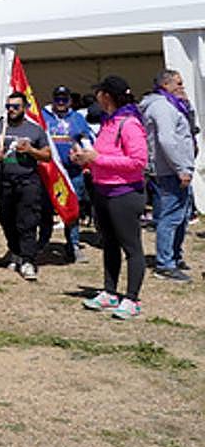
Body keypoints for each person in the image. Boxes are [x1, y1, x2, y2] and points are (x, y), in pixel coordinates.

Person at [73, 76, 149, 320]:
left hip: (125, 193)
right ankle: (110, 291)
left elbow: (138, 162)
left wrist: (97, 159)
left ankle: (132, 298)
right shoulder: (109, 122)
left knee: (132, 247)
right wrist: (85, 160)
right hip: (102, 190)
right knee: (109, 244)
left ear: (106, 96)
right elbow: (102, 155)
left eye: (99, 93)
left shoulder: (129, 124)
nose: (96, 97)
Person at [0, 91, 52, 281]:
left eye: (15, 107)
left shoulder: (35, 130)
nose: (11, 110)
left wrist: (31, 150)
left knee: (28, 221)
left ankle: (28, 259)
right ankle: (15, 251)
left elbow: (47, 156)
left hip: (28, 181)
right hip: (5, 181)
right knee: (7, 219)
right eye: (8, 107)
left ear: (25, 108)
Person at [140, 69, 197, 282]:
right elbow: (166, 139)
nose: (182, 87)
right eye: (178, 83)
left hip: (176, 169)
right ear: (165, 84)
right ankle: (165, 264)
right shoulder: (161, 107)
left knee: (181, 216)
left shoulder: (171, 104)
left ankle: (173, 256)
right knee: (171, 217)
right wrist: (181, 167)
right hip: (170, 170)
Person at [40, 85, 94, 263]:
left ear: (70, 100)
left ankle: (73, 245)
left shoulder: (77, 118)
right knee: (46, 209)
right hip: (50, 171)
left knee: (72, 208)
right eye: (58, 99)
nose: (61, 103)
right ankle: (43, 242)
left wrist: (84, 154)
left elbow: (86, 139)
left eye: (64, 99)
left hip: (73, 172)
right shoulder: (43, 116)